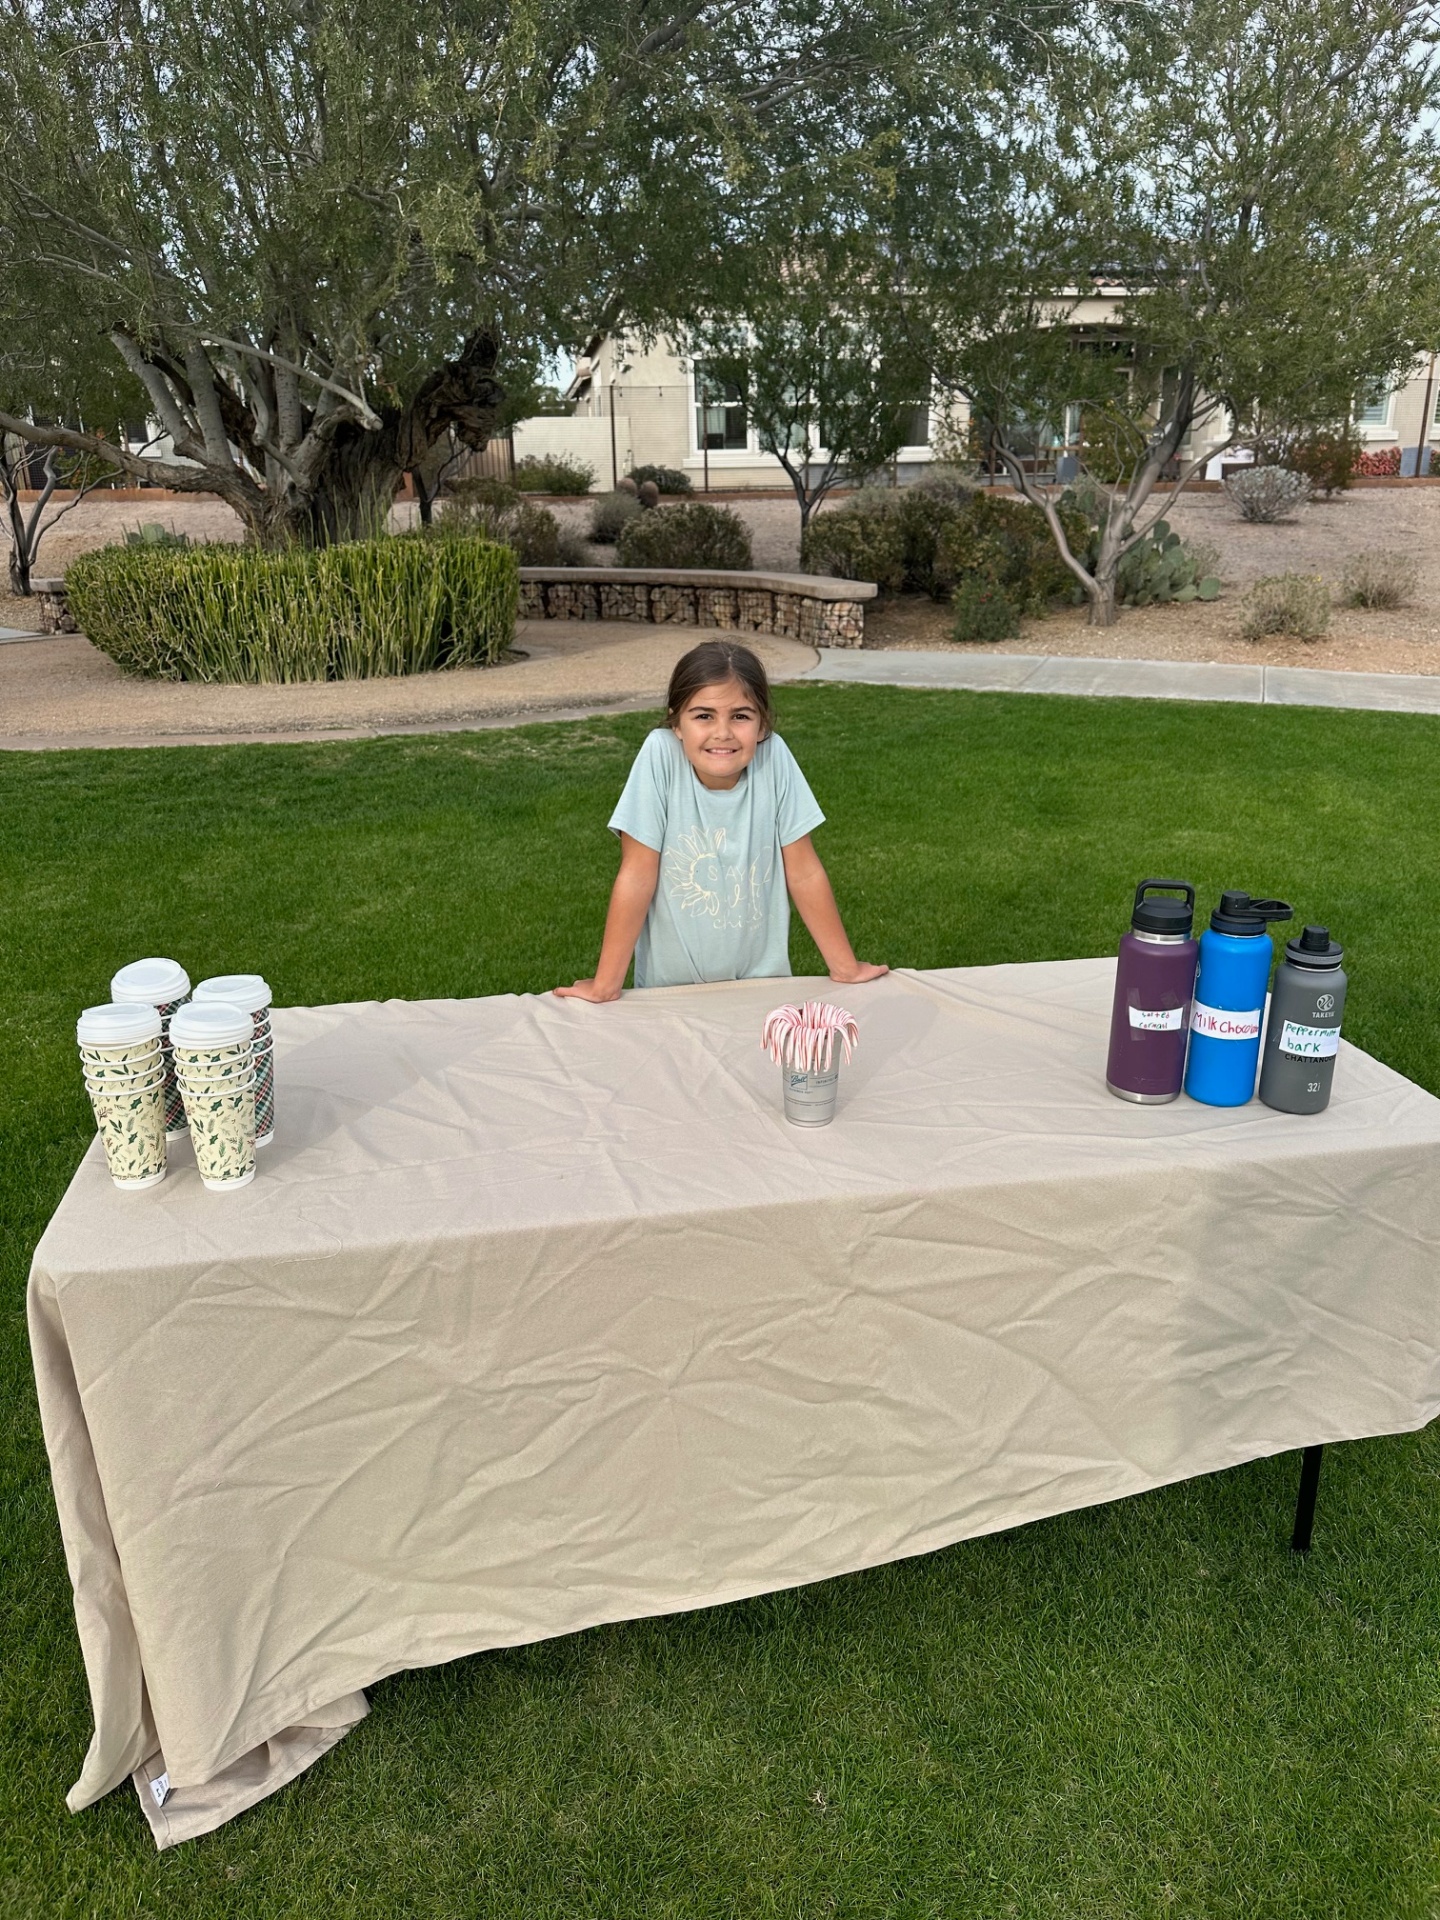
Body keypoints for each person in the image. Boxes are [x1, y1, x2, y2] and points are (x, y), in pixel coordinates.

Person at [556, 639, 887, 1002]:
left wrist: (846, 968)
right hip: (669, 995)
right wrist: (605, 985)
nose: (723, 732)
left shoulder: (773, 757)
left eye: (741, 716)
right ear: (676, 723)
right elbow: (637, 875)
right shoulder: (659, 755)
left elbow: (804, 871)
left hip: (762, 989)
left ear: (762, 725)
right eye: (703, 716)